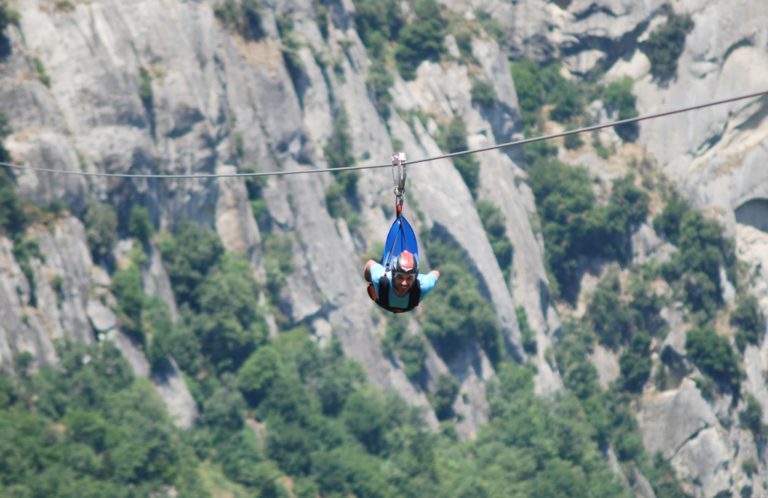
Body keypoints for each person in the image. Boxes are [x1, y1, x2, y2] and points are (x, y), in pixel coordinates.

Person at [364, 250, 440, 313]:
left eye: (409, 278)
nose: (404, 283)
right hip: (383, 301)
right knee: (378, 285)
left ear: (415, 277)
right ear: (393, 275)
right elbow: (369, 264)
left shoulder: (424, 285)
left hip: (404, 306)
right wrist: (369, 279)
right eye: (400, 277)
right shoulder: (380, 277)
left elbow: (436, 273)